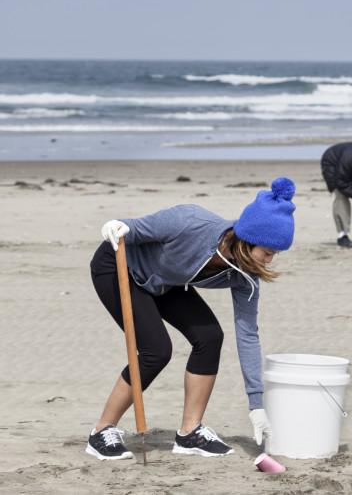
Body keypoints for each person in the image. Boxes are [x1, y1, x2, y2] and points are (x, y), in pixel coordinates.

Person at [85, 178, 296, 460]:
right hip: (118, 267)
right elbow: (134, 228)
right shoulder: (191, 221)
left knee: (210, 337)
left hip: (166, 282)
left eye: (276, 253)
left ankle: (189, 433)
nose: (270, 260)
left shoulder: (246, 277)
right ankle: (101, 431)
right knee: (156, 351)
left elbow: (247, 335)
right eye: (268, 252)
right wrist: (117, 226)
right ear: (248, 240)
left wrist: (256, 404)